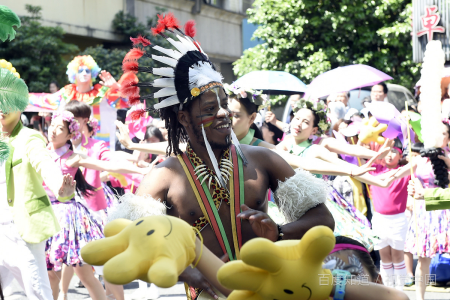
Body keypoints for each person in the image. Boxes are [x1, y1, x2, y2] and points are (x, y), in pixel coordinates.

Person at [115, 16, 335, 300]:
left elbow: (323, 219)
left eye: (224, 104)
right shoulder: (164, 177)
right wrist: (185, 268)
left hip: (270, 288)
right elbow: (129, 245)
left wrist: (278, 233)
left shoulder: (263, 160)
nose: (223, 113)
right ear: (184, 117)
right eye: (209, 108)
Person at [0, 67, 76, 300]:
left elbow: (44, 164)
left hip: (21, 227)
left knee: (37, 292)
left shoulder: (29, 138)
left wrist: (60, 188)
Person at [29, 55, 130, 150]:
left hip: (99, 146)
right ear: (74, 74)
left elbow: (129, 101)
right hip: (69, 148)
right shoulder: (66, 93)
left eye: (87, 70)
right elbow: (43, 100)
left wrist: (117, 87)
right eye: (80, 70)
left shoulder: (103, 93)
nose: (84, 73)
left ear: (92, 73)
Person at [403, 120, 450, 300]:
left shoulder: (448, 157)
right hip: (425, 210)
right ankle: (420, 297)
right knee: (423, 257)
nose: (440, 136)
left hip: (445, 207)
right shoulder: (420, 159)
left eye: (444, 133)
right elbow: (396, 175)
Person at [368, 138, 419, 290]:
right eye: (388, 152)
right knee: (385, 258)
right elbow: (367, 160)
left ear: (400, 155)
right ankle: (388, 291)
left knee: (397, 257)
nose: (390, 155)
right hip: (379, 219)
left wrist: (411, 157)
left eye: (394, 152)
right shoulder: (375, 169)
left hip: (398, 219)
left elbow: (415, 166)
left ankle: (399, 291)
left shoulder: (405, 172)